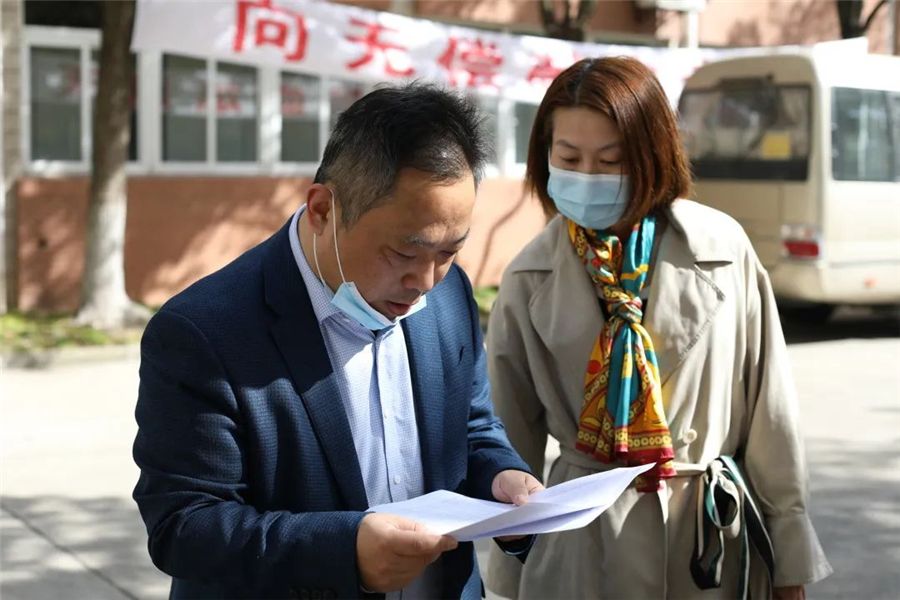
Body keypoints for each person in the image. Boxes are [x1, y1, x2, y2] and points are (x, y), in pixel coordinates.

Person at [132, 83, 543, 600]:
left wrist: (502, 477)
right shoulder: (203, 332)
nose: (425, 281)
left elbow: (472, 426)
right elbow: (184, 526)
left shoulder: (448, 294)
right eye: (403, 253)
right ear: (323, 209)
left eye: (449, 252)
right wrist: (344, 551)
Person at [484, 57, 832, 599]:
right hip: (579, 545)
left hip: (706, 540)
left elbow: (771, 413)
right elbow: (509, 435)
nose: (588, 177)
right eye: (569, 158)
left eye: (611, 160)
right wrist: (509, 572)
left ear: (653, 155)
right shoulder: (530, 274)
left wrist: (788, 557)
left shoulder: (723, 250)